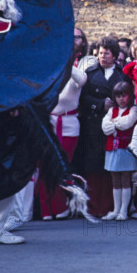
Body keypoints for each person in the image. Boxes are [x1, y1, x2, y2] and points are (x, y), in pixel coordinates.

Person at [40, 27, 95, 221]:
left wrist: (65, 61)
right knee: (47, 165)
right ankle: (48, 209)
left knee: (63, 166)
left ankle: (62, 205)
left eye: (76, 37)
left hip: (70, 122)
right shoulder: (51, 67)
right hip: (51, 121)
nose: (72, 40)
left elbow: (82, 79)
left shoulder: (83, 63)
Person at [74, 36, 131, 218]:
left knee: (111, 166)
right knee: (92, 164)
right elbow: (82, 98)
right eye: (99, 53)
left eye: (106, 53)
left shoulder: (123, 75)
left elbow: (129, 98)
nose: (102, 57)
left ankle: (110, 206)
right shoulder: (90, 74)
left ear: (114, 55)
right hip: (93, 124)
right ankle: (93, 207)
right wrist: (100, 104)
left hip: (116, 126)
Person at [101, 82, 137, 221]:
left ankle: (124, 210)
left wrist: (113, 124)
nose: (121, 99)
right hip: (112, 148)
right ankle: (116, 209)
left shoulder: (134, 110)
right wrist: (116, 124)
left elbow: (126, 124)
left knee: (125, 178)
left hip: (126, 148)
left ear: (130, 96)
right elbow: (105, 128)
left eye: (124, 96)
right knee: (115, 178)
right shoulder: (111, 111)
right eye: (118, 96)